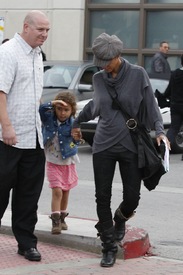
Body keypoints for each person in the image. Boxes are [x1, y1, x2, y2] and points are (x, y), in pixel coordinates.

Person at [71, 33, 170, 268]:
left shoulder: (138, 74)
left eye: (107, 61)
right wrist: (76, 121)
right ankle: (108, 245)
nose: (103, 66)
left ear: (118, 55)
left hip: (130, 144)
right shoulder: (98, 78)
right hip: (104, 144)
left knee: (132, 198)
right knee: (101, 196)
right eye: (100, 61)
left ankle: (120, 218)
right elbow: (97, 105)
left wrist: (160, 131)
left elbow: (150, 105)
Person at [0, 10, 50, 261]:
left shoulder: (37, 55)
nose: (45, 34)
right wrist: (6, 126)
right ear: (26, 27)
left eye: (47, 30)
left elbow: (33, 93)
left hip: (34, 138)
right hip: (8, 139)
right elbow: (0, 92)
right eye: (40, 29)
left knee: (28, 196)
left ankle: (26, 243)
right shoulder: (8, 52)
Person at [39, 91, 80, 235]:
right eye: (59, 109)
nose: (62, 113)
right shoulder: (48, 119)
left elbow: (76, 141)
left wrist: (77, 139)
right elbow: (41, 109)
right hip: (52, 162)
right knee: (57, 191)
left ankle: (63, 217)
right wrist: (53, 103)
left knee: (65, 191)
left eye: (66, 110)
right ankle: (55, 220)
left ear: (72, 110)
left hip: (68, 162)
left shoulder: (74, 123)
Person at [160, 54, 183, 160]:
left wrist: (163, 97)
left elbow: (169, 89)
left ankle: (165, 144)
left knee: (174, 128)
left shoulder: (175, 73)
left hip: (175, 106)